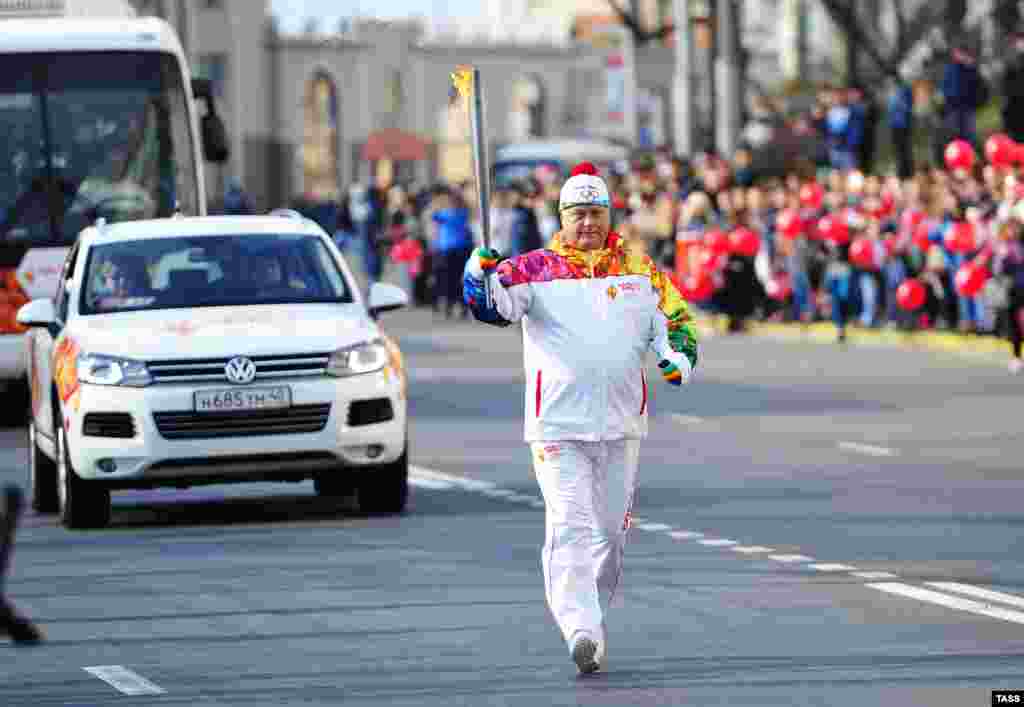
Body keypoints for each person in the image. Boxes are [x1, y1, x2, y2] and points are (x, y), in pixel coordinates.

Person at [461, 162, 700, 675]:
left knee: (610, 534)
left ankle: (589, 612)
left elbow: (677, 321)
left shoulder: (640, 271)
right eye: (577, 214)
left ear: (608, 215)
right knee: (568, 525)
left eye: (595, 213)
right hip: (557, 426)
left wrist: (677, 361)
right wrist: (477, 273)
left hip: (620, 424)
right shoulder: (530, 269)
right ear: (562, 217)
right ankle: (581, 629)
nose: (587, 223)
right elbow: (490, 307)